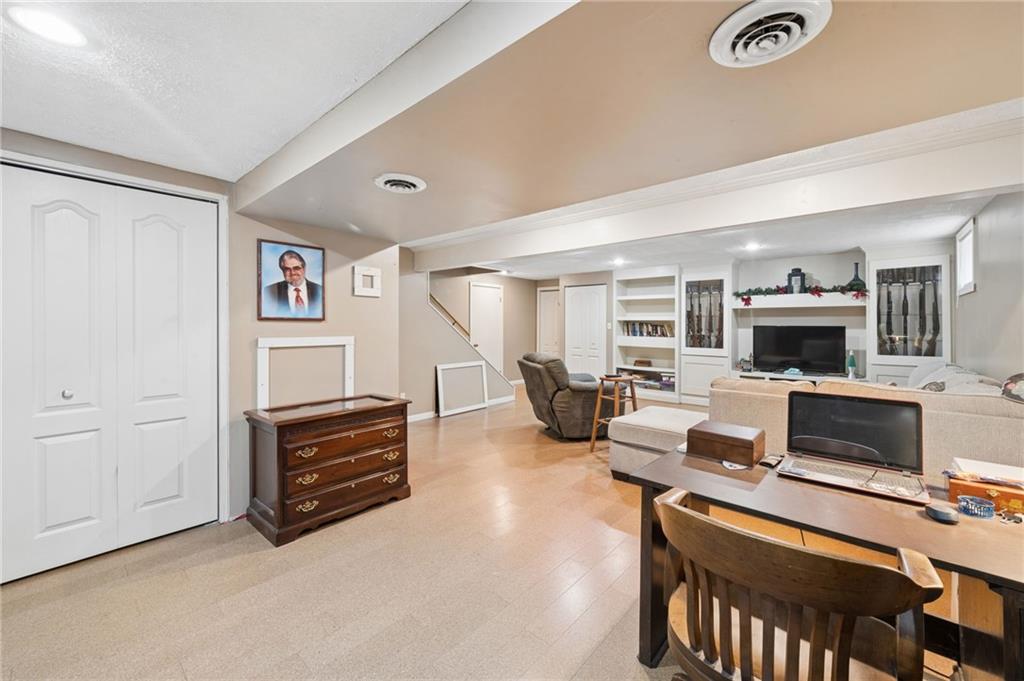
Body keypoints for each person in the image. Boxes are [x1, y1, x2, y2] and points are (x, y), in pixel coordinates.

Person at [263, 249, 322, 317]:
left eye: (296, 268)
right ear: (282, 271)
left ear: (304, 268)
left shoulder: (319, 290)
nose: (292, 273)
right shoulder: (271, 291)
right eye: (287, 269)